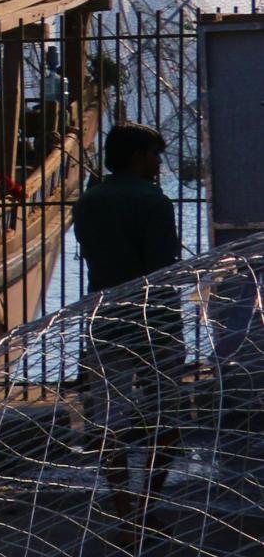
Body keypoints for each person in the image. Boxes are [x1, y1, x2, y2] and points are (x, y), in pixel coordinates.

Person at [73, 122, 182, 529]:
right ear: (138, 157)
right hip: (157, 323)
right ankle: (149, 503)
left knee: (108, 424)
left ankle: (124, 512)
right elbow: (161, 265)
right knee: (165, 418)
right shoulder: (154, 202)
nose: (157, 163)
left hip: (105, 322)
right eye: (154, 155)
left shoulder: (87, 202)